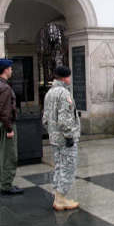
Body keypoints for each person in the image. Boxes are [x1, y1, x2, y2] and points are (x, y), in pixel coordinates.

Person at [42, 66, 80, 211]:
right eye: (69, 77)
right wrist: (69, 135)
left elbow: (45, 119)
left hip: (54, 138)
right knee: (68, 167)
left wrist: (52, 132)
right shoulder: (64, 93)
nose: (70, 79)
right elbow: (65, 120)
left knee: (59, 166)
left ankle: (58, 197)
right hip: (65, 138)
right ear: (65, 78)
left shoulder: (49, 93)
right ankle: (61, 198)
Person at [0, 59, 23, 195]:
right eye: (10, 68)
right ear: (6, 70)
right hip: (5, 124)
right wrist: (9, 129)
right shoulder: (4, 88)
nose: (12, 71)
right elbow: (5, 110)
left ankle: (5, 183)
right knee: (9, 155)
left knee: (1, 155)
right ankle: (7, 185)